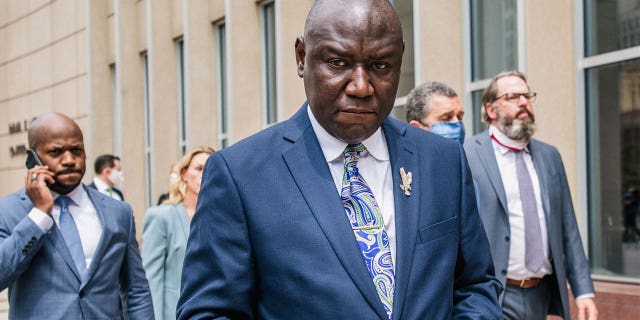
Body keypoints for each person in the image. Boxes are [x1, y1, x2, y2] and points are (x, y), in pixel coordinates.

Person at [177, 1, 502, 319]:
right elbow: (209, 311)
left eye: (380, 66)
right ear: (302, 57)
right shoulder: (240, 175)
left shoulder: (442, 162)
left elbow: (474, 286)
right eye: (337, 62)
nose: (361, 87)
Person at [464, 70, 598, 320]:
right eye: (513, 96)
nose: (524, 102)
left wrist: (583, 292)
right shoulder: (469, 154)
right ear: (491, 110)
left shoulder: (550, 156)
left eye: (527, 95)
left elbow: (568, 228)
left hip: (540, 293)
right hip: (495, 294)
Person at [0, 112, 153, 319]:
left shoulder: (119, 212)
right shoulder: (9, 210)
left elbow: (136, 291)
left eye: (76, 150)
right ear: (32, 156)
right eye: (56, 152)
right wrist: (38, 215)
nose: (70, 160)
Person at [142, 147, 214, 320]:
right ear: (184, 174)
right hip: (172, 313)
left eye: (210, 169)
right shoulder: (162, 216)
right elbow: (152, 280)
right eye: (199, 168)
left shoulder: (221, 218)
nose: (205, 174)